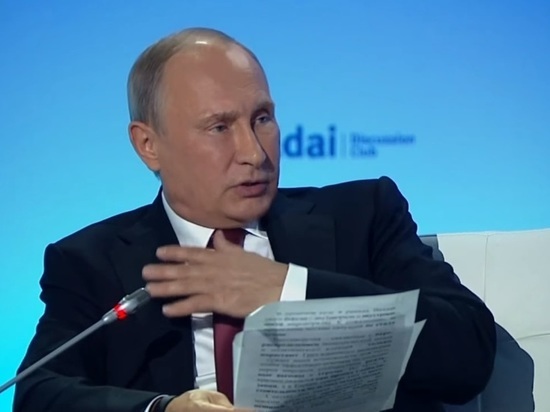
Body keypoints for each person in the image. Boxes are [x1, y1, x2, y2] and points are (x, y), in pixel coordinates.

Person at [13, 27, 496, 412]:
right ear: (148, 145)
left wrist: (288, 289)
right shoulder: (91, 261)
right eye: (219, 127)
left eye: (262, 118)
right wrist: (163, 409)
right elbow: (38, 393)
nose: (253, 152)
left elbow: (468, 353)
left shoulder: (362, 215)